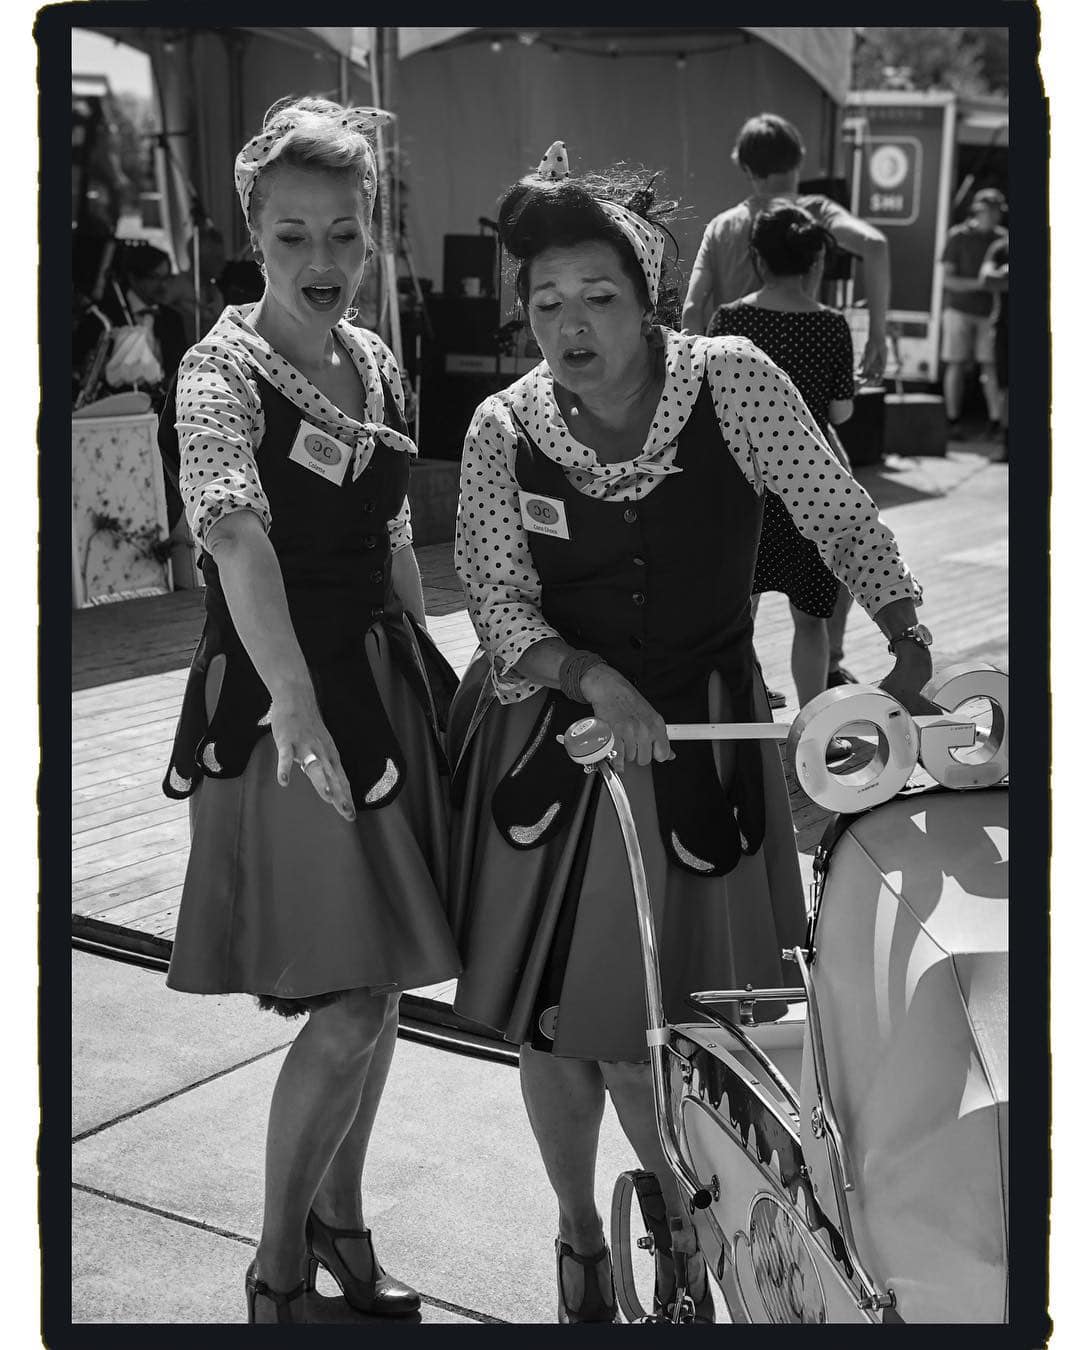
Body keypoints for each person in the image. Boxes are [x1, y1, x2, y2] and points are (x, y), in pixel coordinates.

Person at [449, 142, 936, 1324]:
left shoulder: (732, 380)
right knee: (560, 1025)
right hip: (554, 748)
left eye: (598, 297)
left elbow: (834, 506)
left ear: (653, 296)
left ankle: (686, 1215)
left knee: (685, 1033)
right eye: (545, 302)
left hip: (703, 745)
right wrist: (586, 675)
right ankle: (582, 1236)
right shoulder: (502, 428)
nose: (570, 325)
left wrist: (907, 633)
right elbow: (495, 601)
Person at [158, 97, 460, 1324]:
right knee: (345, 1002)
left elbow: (390, 523)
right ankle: (278, 1264)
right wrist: (298, 708)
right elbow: (231, 533)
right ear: (254, 233)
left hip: (377, 681)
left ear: (373, 229)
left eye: (345, 232)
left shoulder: (376, 356)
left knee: (379, 986)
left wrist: (428, 670)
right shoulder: (216, 367)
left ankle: (339, 1226)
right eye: (294, 237)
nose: (323, 262)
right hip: (285, 698)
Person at [707, 204, 856, 708]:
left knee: (735, 614)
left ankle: (742, 715)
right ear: (815, 261)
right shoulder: (832, 326)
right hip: (808, 490)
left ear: (756, 259)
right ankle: (813, 723)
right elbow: (842, 411)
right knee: (810, 618)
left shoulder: (731, 321)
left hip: (742, 488)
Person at [681, 112, 891, 384]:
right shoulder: (814, 213)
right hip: (798, 379)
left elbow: (692, 310)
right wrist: (877, 336)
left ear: (746, 168)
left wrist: (693, 380)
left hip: (733, 383)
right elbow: (875, 246)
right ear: (799, 158)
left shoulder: (721, 226)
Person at [940, 187, 1007, 437]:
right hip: (958, 310)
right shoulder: (958, 236)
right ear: (978, 211)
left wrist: (991, 284)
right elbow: (948, 280)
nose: (994, 217)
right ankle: (952, 420)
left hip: (990, 313)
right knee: (955, 364)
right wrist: (982, 284)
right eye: (990, 212)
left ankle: (996, 422)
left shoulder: (1002, 240)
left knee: (990, 367)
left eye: (998, 212)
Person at [979, 231, 1009, 460]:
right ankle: (1007, 445)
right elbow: (987, 279)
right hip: (1005, 327)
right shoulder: (1000, 247)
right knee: (1005, 388)